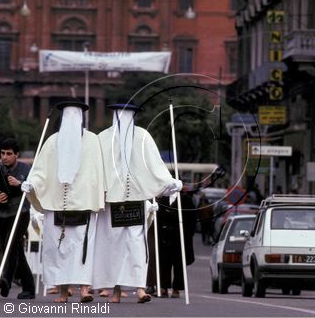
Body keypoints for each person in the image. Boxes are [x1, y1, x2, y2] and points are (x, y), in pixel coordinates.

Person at [93, 99, 182, 304]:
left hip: (136, 200)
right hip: (111, 202)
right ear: (114, 115)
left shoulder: (142, 137)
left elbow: (154, 164)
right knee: (113, 246)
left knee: (136, 246)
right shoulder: (102, 139)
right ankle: (115, 291)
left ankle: (140, 288)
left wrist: (169, 182)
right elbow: (94, 170)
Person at [23, 98, 104, 303]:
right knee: (57, 248)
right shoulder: (52, 141)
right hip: (56, 203)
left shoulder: (93, 140)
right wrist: (32, 183)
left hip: (84, 203)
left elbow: (98, 172)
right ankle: (62, 291)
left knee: (83, 247)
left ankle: (85, 289)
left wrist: (99, 193)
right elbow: (41, 171)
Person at [0, 138, 35, 299]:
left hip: (20, 213)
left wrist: (20, 183)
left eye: (9, 154)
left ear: (16, 155)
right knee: (16, 250)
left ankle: (6, 278)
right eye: (2, 153)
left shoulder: (26, 169)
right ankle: (29, 287)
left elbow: (34, 188)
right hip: (1, 214)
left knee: (11, 243)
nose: (5, 157)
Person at [157, 187, 196, 298]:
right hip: (165, 237)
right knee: (164, 263)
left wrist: (187, 236)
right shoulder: (163, 199)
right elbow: (159, 217)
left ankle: (177, 288)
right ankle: (163, 287)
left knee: (179, 264)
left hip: (180, 238)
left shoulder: (186, 200)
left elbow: (192, 219)